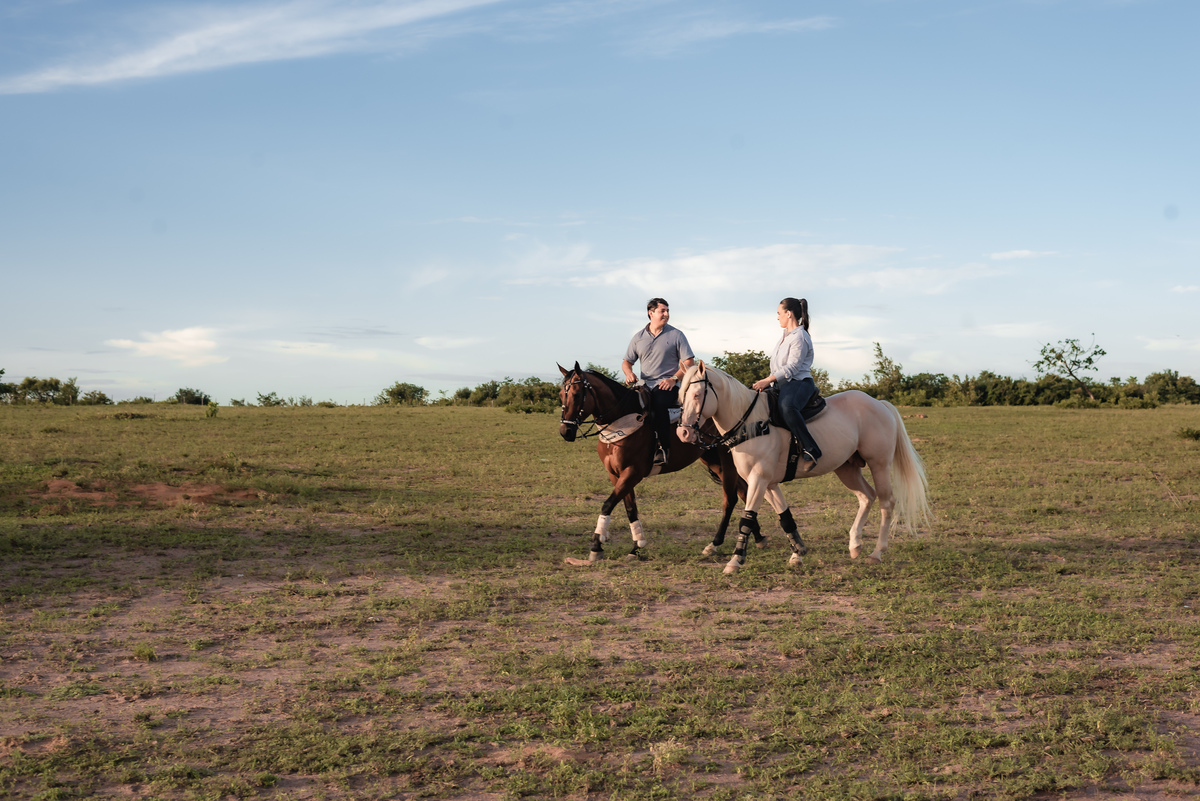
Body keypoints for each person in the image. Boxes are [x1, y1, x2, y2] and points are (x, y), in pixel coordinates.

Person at [751, 297, 822, 473]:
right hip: (782, 383)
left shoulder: (800, 337)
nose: (777, 317)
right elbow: (778, 366)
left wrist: (768, 380)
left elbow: (792, 367)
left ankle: (811, 449)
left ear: (788, 314)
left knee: (787, 406)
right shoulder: (784, 336)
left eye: (779, 313)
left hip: (800, 382)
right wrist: (767, 382)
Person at [622, 297, 696, 465]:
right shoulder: (638, 337)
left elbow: (689, 362)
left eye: (667, 310)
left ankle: (663, 448)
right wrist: (628, 373)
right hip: (644, 384)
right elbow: (627, 361)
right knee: (626, 403)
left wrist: (673, 379)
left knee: (658, 403)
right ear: (651, 313)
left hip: (669, 384)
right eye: (662, 311)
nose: (666, 314)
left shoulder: (676, 335)